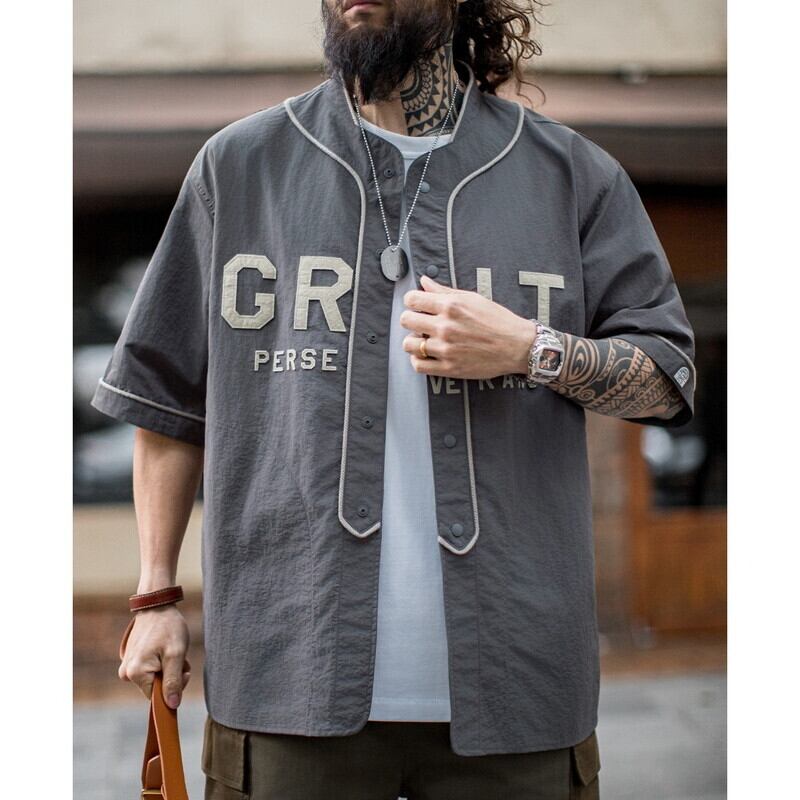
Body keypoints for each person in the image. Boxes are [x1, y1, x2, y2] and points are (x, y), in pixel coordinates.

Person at [92, 1, 696, 797]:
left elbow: (667, 376)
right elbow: (165, 400)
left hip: (518, 693)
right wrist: (155, 596)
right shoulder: (239, 169)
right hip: (289, 682)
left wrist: (531, 348)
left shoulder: (570, 175)